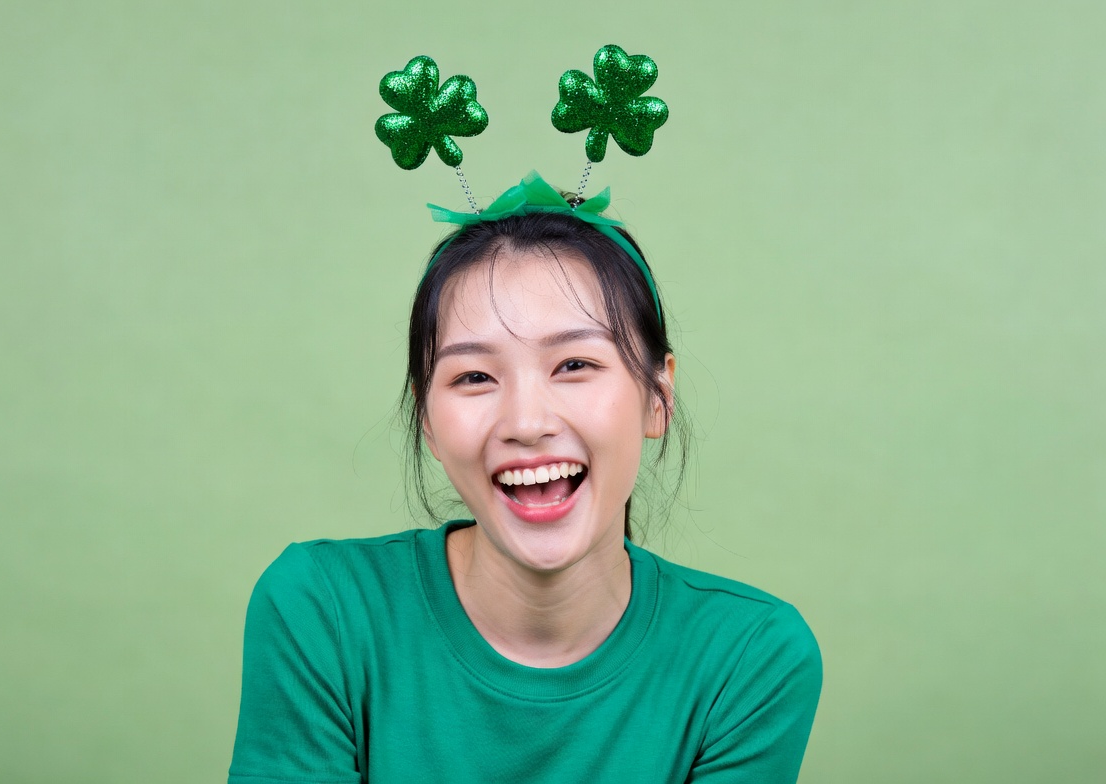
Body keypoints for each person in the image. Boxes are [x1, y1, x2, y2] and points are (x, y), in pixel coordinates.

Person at [227, 176, 822, 783]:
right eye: (474, 377)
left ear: (657, 396)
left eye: (574, 364)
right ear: (427, 419)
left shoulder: (750, 658)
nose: (526, 423)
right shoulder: (322, 610)